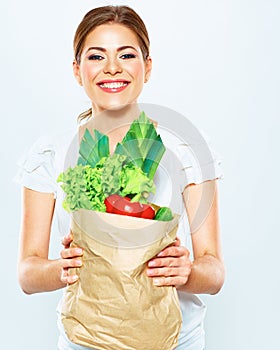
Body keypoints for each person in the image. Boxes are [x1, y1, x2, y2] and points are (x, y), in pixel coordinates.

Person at [16, 5, 225, 350]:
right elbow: (27, 273)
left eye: (126, 55)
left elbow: (215, 273)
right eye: (96, 56)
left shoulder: (186, 148)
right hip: (85, 340)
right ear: (77, 70)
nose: (112, 68)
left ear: (148, 66)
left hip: (176, 340)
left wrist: (186, 271)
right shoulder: (50, 153)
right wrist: (63, 268)